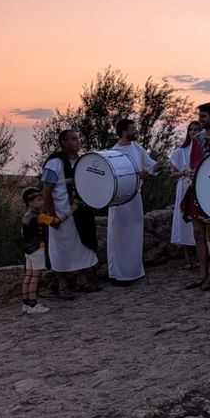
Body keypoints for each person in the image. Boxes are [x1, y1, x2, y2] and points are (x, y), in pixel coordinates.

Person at [41, 129, 100, 298]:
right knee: (61, 249)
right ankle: (63, 286)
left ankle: (82, 280)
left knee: (83, 245)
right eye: (73, 139)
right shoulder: (54, 163)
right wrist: (52, 214)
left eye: (78, 138)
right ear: (64, 143)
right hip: (61, 214)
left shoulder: (82, 162)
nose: (78, 142)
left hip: (81, 213)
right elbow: (47, 191)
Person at [181, 102, 210, 292]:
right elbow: (191, 162)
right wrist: (189, 171)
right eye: (199, 116)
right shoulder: (197, 139)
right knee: (198, 234)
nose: (200, 119)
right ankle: (202, 275)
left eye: (204, 116)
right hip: (196, 189)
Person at [107, 118, 158, 284]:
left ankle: (134, 272)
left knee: (134, 235)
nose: (135, 131)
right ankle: (119, 274)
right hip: (119, 201)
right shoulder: (113, 152)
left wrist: (157, 167)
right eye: (132, 128)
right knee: (118, 237)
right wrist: (137, 175)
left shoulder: (137, 148)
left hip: (135, 198)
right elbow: (113, 176)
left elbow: (150, 165)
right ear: (124, 131)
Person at [20, 186, 56, 314]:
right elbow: (55, 221)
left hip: (28, 250)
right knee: (35, 277)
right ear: (30, 202)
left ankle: (26, 303)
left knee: (28, 277)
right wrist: (69, 212)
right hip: (38, 248)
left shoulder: (26, 216)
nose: (42, 202)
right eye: (39, 200)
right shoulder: (39, 216)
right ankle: (33, 304)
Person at [169, 121, 199, 267]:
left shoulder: (203, 150)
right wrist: (184, 172)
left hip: (199, 187)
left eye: (196, 129)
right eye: (191, 129)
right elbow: (172, 174)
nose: (193, 132)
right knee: (183, 221)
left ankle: (200, 258)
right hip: (184, 187)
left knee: (199, 220)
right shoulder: (180, 151)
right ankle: (187, 259)